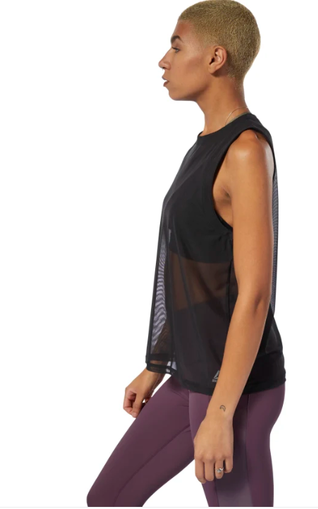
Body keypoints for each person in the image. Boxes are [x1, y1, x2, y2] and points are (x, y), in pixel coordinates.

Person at [87, 1, 286, 506]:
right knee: (108, 498)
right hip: (192, 375)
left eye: (176, 46)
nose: (164, 60)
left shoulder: (245, 150)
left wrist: (221, 412)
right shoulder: (205, 145)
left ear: (216, 57)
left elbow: (255, 294)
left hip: (234, 388)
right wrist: (157, 364)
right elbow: (192, 274)